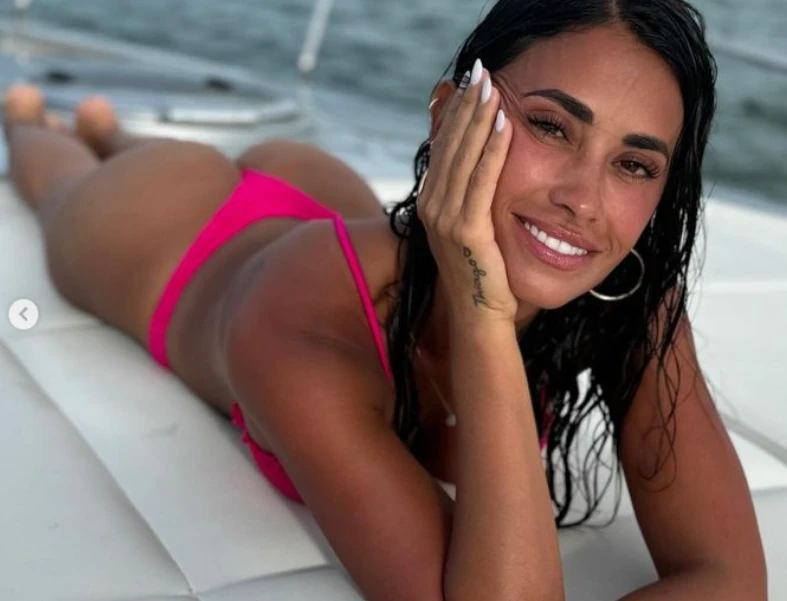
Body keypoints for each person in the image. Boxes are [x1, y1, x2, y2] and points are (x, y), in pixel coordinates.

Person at [2, 0, 767, 599]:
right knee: (61, 178)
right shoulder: (297, 324)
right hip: (164, 229)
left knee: (121, 143)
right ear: (448, 114)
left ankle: (106, 128)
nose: (583, 200)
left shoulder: (631, 296)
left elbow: (730, 578)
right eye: (550, 126)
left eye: (633, 165)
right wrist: (481, 307)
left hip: (324, 192)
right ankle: (44, 123)